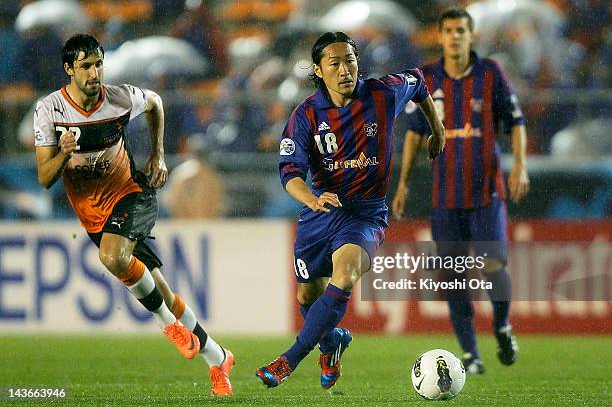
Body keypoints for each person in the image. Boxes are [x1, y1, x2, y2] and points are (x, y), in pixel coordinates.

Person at [33, 34, 234, 397]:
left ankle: (168, 327)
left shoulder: (119, 98)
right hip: (95, 218)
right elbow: (45, 177)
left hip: (132, 195)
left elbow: (155, 103)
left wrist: (158, 154)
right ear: (68, 70)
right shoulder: (49, 111)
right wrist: (63, 153)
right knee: (165, 294)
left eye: (98, 64)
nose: (94, 73)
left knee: (112, 257)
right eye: (85, 66)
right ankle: (219, 357)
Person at [256, 31, 445, 389]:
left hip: (364, 214)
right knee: (307, 296)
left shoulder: (382, 93)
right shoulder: (305, 116)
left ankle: (287, 361)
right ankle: (332, 344)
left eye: (350, 60)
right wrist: (311, 199)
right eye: (335, 63)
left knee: (344, 276)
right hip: (321, 212)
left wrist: (436, 129)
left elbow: (419, 82)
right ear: (317, 70)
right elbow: (290, 173)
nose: (345, 70)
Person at [392, 7, 529, 374]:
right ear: (440, 36)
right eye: (449, 30)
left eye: (461, 31)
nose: (455, 36)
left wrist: (519, 164)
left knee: (493, 264)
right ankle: (470, 355)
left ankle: (501, 324)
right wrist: (402, 183)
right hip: (445, 198)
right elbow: (414, 134)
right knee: (453, 277)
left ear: (472, 36)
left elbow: (515, 121)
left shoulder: (490, 73)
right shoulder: (426, 79)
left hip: (486, 193)